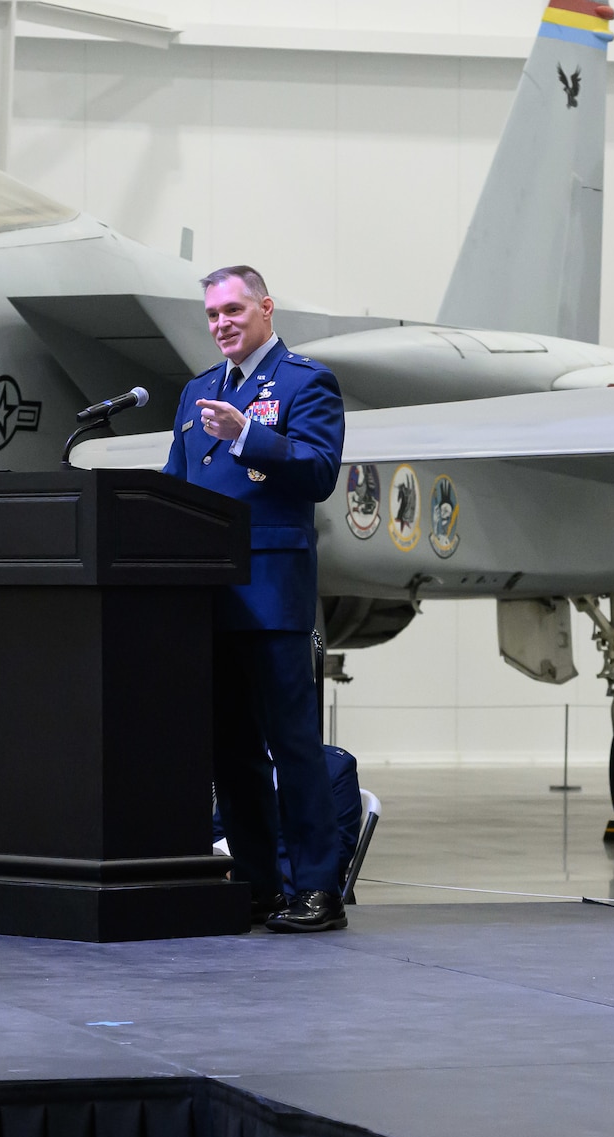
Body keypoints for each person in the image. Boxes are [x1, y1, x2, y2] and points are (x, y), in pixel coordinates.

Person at [163, 264, 355, 933]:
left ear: (266, 309)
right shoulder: (195, 393)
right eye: (212, 315)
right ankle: (256, 883)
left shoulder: (306, 382)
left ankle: (317, 890)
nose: (221, 324)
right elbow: (174, 490)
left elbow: (321, 471)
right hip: (211, 599)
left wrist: (247, 435)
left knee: (293, 748)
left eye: (233, 311)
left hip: (272, 595)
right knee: (231, 753)